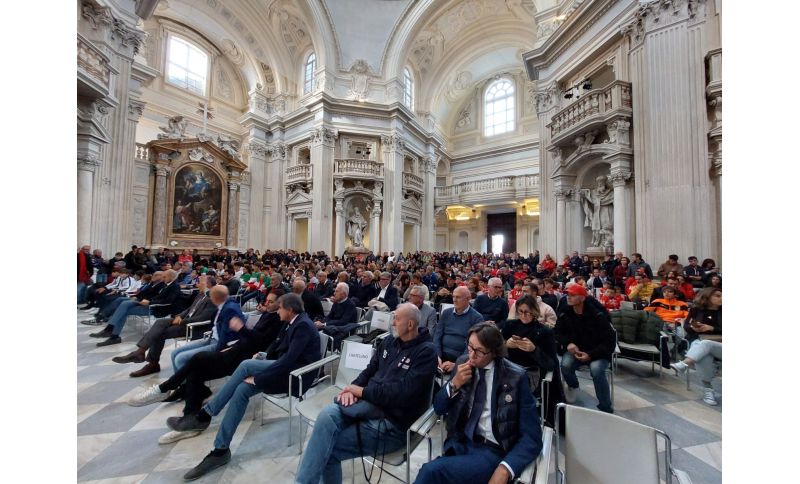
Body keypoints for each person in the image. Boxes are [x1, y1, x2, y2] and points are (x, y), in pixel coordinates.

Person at [171, 293, 321, 480]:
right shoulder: (292, 321)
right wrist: (263, 357)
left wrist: (259, 379)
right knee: (242, 389)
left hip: (295, 376)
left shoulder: (303, 325)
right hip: (283, 368)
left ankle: (204, 415)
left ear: (290, 310)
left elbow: (290, 360)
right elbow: (278, 347)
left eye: (280, 308)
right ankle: (220, 450)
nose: (278, 311)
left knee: (246, 366)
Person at [295, 303, 438, 484]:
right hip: (368, 406)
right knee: (327, 415)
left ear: (410, 325)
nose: (392, 323)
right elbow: (369, 371)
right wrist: (352, 388)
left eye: (396, 319)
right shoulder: (389, 342)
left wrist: (362, 392)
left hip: (393, 424)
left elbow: (402, 393)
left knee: (327, 450)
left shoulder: (426, 352)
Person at [127, 291, 287, 444]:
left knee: (199, 358)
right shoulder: (268, 314)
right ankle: (190, 419)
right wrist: (232, 346)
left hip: (241, 359)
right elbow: (248, 340)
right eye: (267, 300)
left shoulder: (277, 320)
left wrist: (241, 328)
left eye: (271, 301)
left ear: (281, 304)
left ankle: (165, 388)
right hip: (235, 351)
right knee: (196, 372)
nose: (266, 303)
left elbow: (259, 341)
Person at [416, 322, 542, 484]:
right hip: (460, 442)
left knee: (431, 472)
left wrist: (505, 468)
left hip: (492, 450)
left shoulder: (515, 378)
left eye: (479, 351)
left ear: (494, 352)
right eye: (469, 347)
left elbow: (532, 437)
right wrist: (454, 384)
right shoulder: (462, 364)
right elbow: (439, 408)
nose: (472, 355)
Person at [112, 275, 218, 377]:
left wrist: (182, 321)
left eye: (200, 282)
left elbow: (203, 318)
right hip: (184, 320)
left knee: (159, 334)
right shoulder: (200, 294)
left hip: (193, 327)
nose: (197, 284)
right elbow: (189, 309)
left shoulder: (212, 299)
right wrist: (179, 316)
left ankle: (151, 363)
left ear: (208, 285)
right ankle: (141, 352)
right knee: (160, 323)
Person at [554, 284, 616, 413]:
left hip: (598, 352)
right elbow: (557, 332)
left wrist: (591, 354)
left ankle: (605, 407)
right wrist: (568, 343)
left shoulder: (598, 315)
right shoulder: (565, 312)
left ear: (582, 298)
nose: (568, 297)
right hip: (576, 350)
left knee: (597, 370)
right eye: (568, 294)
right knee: (565, 365)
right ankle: (573, 385)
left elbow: (609, 341)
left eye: (573, 295)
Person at [89, 269, 181, 347]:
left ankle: (111, 331)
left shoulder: (174, 286)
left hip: (155, 308)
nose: (163, 279)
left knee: (124, 306)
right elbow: (156, 296)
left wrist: (150, 302)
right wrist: (146, 301)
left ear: (171, 277)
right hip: (149, 304)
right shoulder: (166, 284)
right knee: (124, 306)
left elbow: (168, 301)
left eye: (164, 277)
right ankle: (112, 333)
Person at [671, 288, 722, 405]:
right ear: (708, 296)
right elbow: (686, 326)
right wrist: (694, 328)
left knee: (705, 344)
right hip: (699, 340)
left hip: (720, 345)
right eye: (717, 296)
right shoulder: (696, 310)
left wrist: (712, 328)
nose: (721, 298)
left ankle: (684, 364)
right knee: (704, 355)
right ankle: (708, 389)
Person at [502, 296, 558, 394]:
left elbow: (551, 364)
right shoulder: (509, 325)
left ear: (534, 311)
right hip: (507, 368)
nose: (523, 315)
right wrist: (505, 345)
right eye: (521, 311)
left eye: (527, 312)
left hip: (530, 371)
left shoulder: (545, 332)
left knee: (513, 390)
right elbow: (496, 351)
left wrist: (534, 350)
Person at [434, 286, 484, 373]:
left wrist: (457, 364)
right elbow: (437, 335)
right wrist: (437, 356)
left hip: (460, 359)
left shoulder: (476, 318)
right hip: (440, 356)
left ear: (468, 299)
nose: (454, 300)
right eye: (453, 296)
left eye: (458, 297)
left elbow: (473, 346)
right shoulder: (446, 313)